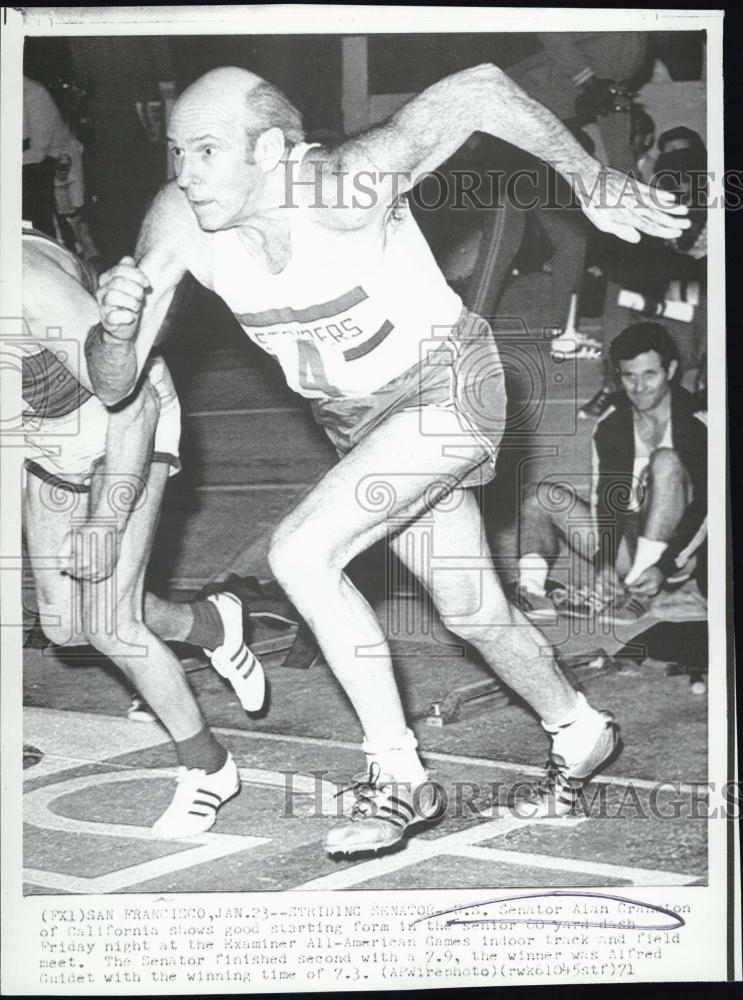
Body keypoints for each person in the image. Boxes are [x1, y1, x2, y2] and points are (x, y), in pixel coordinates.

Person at [90, 65, 689, 855]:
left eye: (205, 151)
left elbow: (476, 87)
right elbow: (115, 382)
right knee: (474, 611)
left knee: (301, 552)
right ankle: (578, 729)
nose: (184, 174)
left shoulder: (346, 185)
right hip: (357, 423)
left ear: (271, 149)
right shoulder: (178, 219)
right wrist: (116, 326)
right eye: (175, 152)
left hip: (450, 384)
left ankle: (399, 776)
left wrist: (588, 176)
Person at [21, 227, 266, 837]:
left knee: (109, 623)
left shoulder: (23, 281)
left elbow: (130, 405)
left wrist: (106, 519)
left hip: (127, 430)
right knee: (65, 625)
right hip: (47, 439)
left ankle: (209, 766)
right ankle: (208, 624)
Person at [515, 322, 707, 624]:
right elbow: (604, 494)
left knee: (666, 461)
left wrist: (664, 566)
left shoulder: (696, 421)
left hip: (675, 554)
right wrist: (604, 563)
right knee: (539, 497)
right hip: (625, 541)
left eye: (649, 375)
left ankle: (638, 593)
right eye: (629, 376)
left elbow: (710, 511)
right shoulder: (613, 418)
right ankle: (531, 591)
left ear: (669, 371)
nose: (639, 387)